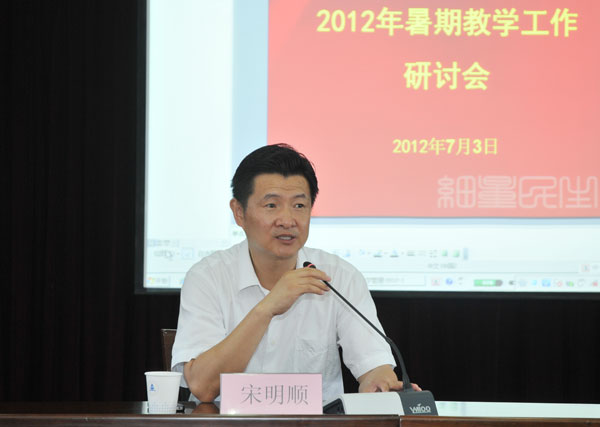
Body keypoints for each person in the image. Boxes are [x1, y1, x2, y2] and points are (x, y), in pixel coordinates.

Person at [171, 143, 418, 403]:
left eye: (299, 205)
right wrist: (267, 308)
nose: (288, 220)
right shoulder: (208, 278)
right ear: (239, 213)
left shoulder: (339, 278)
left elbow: (374, 366)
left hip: (313, 422)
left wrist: (381, 385)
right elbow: (202, 386)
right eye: (271, 205)